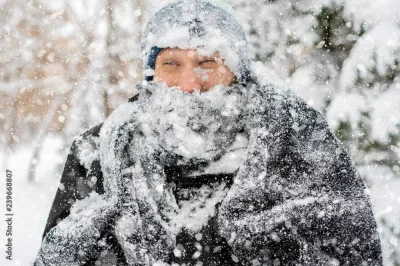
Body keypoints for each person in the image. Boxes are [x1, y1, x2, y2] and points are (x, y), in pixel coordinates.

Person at [34, 0, 383, 265]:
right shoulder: (99, 151)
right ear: (150, 72)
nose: (189, 84)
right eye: (170, 63)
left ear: (236, 71)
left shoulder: (292, 144)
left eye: (208, 63)